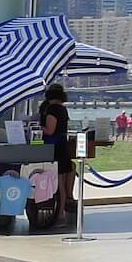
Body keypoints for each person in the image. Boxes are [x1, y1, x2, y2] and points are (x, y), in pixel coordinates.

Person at [39, 84, 76, 222]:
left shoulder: (52, 109)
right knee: (62, 179)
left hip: (54, 148)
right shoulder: (62, 109)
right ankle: (63, 210)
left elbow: (50, 130)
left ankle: (60, 212)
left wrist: (38, 127)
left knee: (59, 181)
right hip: (62, 145)